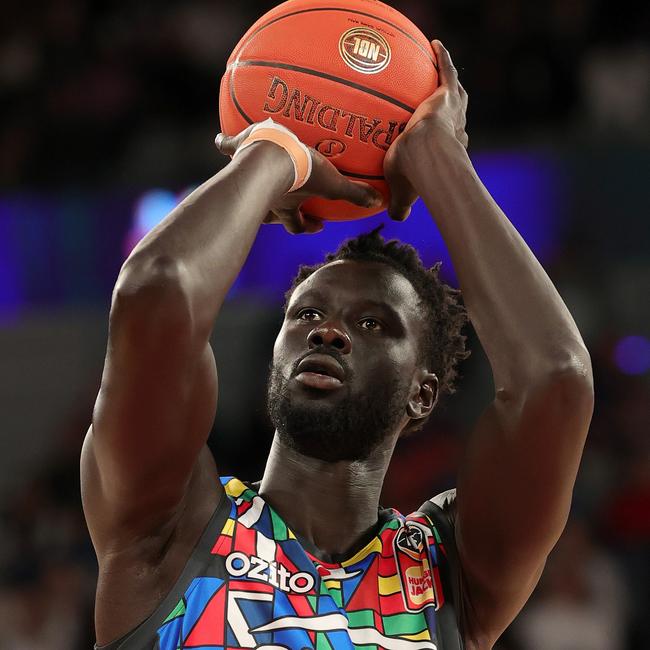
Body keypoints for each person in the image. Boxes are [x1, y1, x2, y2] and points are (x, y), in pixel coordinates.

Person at [81, 41, 594, 650]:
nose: (327, 331)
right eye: (308, 315)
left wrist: (439, 158)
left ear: (423, 394)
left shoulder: (450, 576)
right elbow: (156, 292)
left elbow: (555, 378)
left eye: (374, 324)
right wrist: (273, 154)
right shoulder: (168, 527)